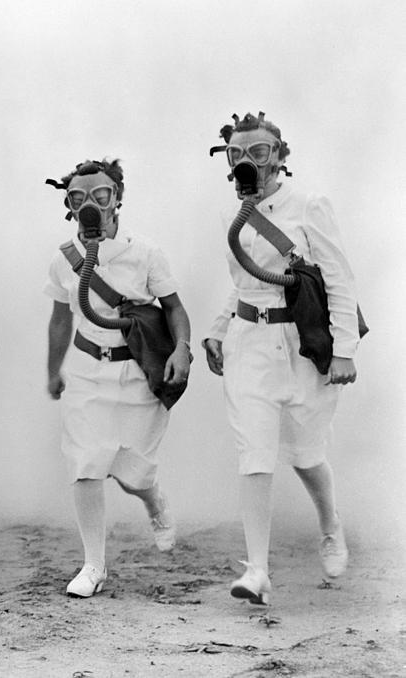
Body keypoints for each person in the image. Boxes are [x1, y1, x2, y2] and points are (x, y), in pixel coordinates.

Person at [203, 112, 360, 605]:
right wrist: (218, 329)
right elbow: (243, 283)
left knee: (306, 454)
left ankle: (330, 525)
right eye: (237, 154)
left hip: (301, 345)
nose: (248, 162)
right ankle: (257, 569)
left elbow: (337, 279)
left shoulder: (308, 205)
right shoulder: (234, 217)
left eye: (259, 152)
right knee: (254, 453)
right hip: (249, 344)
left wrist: (344, 351)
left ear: (280, 156)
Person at [44, 157, 192, 598]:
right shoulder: (64, 259)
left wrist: (182, 350)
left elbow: (175, 309)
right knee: (87, 466)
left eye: (101, 195)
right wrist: (53, 370)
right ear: (68, 205)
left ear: (118, 199)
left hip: (137, 373)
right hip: (88, 372)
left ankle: (155, 502)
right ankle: (94, 565)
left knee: (132, 474)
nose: (91, 204)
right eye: (79, 197)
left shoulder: (144, 253)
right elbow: (60, 319)